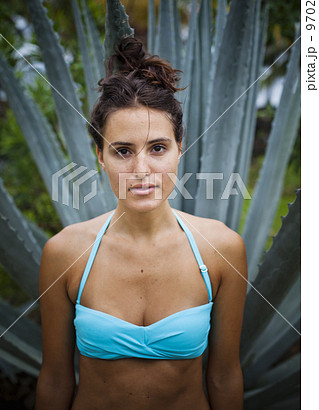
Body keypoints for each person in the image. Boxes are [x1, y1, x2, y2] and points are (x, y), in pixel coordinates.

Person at [35, 37, 247, 410]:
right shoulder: (66, 253)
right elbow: (54, 380)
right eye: (123, 151)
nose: (141, 171)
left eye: (158, 148)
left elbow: (224, 376)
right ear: (99, 155)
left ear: (181, 147)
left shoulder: (221, 250)